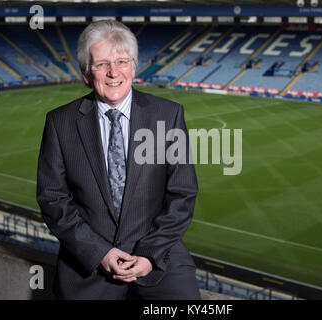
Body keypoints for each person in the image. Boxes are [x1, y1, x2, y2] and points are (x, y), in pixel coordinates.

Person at [36, 20, 200, 300]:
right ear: (86, 73)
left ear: (134, 68)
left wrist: (149, 255)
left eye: (122, 61)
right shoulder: (59, 122)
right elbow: (52, 199)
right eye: (101, 64)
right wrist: (99, 252)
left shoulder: (168, 115)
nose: (113, 72)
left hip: (159, 256)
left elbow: (182, 193)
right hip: (87, 264)